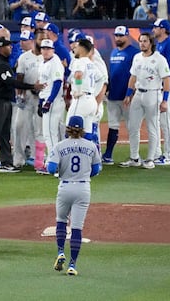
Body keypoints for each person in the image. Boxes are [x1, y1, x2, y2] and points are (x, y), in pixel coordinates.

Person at [0, 37, 44, 174]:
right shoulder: (0, 63)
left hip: (4, 101)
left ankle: (6, 162)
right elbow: (12, 82)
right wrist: (32, 86)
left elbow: (9, 76)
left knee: (5, 133)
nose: (11, 47)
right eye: (8, 46)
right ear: (1, 48)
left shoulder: (4, 63)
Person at [48, 115, 102, 277]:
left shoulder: (60, 146)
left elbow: (51, 168)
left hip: (65, 187)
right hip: (83, 188)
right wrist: (84, 174)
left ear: (68, 128)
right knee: (77, 227)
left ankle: (60, 252)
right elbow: (96, 169)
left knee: (61, 221)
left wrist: (60, 171)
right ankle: (72, 265)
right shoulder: (91, 146)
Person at [120, 32, 170, 169]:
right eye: (140, 41)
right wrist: (128, 94)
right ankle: (134, 157)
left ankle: (150, 159)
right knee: (133, 127)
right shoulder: (137, 57)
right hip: (138, 95)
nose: (142, 43)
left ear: (151, 43)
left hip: (153, 95)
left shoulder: (159, 59)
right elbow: (133, 77)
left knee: (152, 127)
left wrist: (165, 100)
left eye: (145, 41)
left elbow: (166, 80)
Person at [102, 25, 139, 165]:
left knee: (132, 127)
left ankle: (134, 156)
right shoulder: (113, 52)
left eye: (120, 35)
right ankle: (108, 155)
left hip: (127, 97)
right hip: (113, 96)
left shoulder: (134, 53)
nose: (117, 38)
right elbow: (112, 74)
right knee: (113, 126)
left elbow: (136, 75)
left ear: (127, 36)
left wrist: (131, 93)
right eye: (116, 35)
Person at [13, 29, 44, 169]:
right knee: (19, 126)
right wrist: (19, 95)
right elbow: (19, 78)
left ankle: (38, 159)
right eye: (40, 40)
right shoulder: (24, 57)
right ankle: (18, 158)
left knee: (39, 130)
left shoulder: (47, 57)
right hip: (26, 97)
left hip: (41, 99)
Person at [65, 38, 106, 143]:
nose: (75, 48)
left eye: (77, 46)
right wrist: (93, 93)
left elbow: (78, 75)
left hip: (81, 100)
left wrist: (78, 90)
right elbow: (101, 78)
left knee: (69, 129)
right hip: (91, 101)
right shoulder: (91, 63)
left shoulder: (80, 61)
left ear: (82, 48)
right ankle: (88, 157)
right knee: (87, 133)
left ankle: (69, 158)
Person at [37, 38, 66, 173]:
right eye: (43, 48)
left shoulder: (55, 62)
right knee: (52, 134)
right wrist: (40, 101)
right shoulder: (43, 62)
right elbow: (44, 84)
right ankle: (56, 162)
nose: (45, 51)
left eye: (48, 49)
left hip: (53, 102)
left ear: (53, 50)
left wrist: (48, 101)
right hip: (46, 99)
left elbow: (57, 83)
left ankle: (54, 165)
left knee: (50, 134)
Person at [152, 19, 170, 166]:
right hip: (158, 88)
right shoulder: (159, 45)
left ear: (163, 29)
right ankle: (158, 153)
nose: (153, 30)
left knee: (165, 122)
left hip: (168, 88)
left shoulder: (169, 46)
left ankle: (168, 156)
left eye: (156, 28)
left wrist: (166, 96)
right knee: (156, 121)